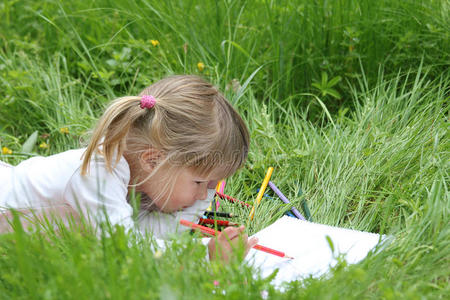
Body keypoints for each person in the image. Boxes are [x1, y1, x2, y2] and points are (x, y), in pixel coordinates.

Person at [0, 75, 258, 262]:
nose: (204, 197)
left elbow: (154, 235)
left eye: (213, 186)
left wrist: (208, 229)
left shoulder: (143, 180)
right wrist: (205, 254)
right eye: (201, 183)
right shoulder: (97, 175)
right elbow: (127, 252)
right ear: (153, 160)